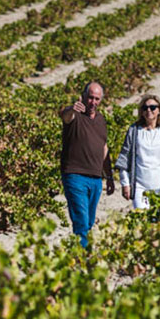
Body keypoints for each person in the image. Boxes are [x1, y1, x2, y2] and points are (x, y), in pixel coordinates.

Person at [59, 81, 115, 249]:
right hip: (75, 176)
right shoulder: (75, 114)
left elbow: (104, 148)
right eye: (90, 98)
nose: (93, 102)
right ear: (83, 97)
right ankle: (83, 260)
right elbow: (65, 116)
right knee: (81, 222)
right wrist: (71, 109)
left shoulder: (100, 120)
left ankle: (79, 254)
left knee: (89, 223)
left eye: (97, 99)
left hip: (96, 179)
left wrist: (110, 176)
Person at [114, 94, 160, 210]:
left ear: (159, 110)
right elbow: (124, 158)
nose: (149, 110)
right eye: (145, 107)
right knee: (140, 221)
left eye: (153, 107)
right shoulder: (134, 130)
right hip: (140, 188)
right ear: (141, 111)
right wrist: (125, 184)